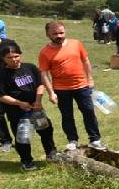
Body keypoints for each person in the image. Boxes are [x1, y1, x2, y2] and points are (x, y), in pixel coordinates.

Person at [38, 21, 105, 151]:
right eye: (55, 33)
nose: (59, 35)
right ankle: (72, 140)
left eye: (61, 32)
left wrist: (90, 79)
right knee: (67, 115)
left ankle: (95, 139)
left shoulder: (76, 44)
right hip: (61, 89)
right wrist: (51, 92)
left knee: (89, 112)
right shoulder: (44, 52)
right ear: (47, 34)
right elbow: (44, 74)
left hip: (82, 86)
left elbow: (86, 61)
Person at [0, 44, 57, 171]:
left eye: (16, 56)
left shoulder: (30, 68)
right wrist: (19, 103)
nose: (14, 59)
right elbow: (1, 96)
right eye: (9, 57)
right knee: (23, 137)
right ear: (3, 58)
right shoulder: (1, 75)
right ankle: (26, 161)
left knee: (46, 130)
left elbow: (40, 85)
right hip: (17, 112)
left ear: (20, 55)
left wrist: (38, 101)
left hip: (36, 108)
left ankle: (51, 154)